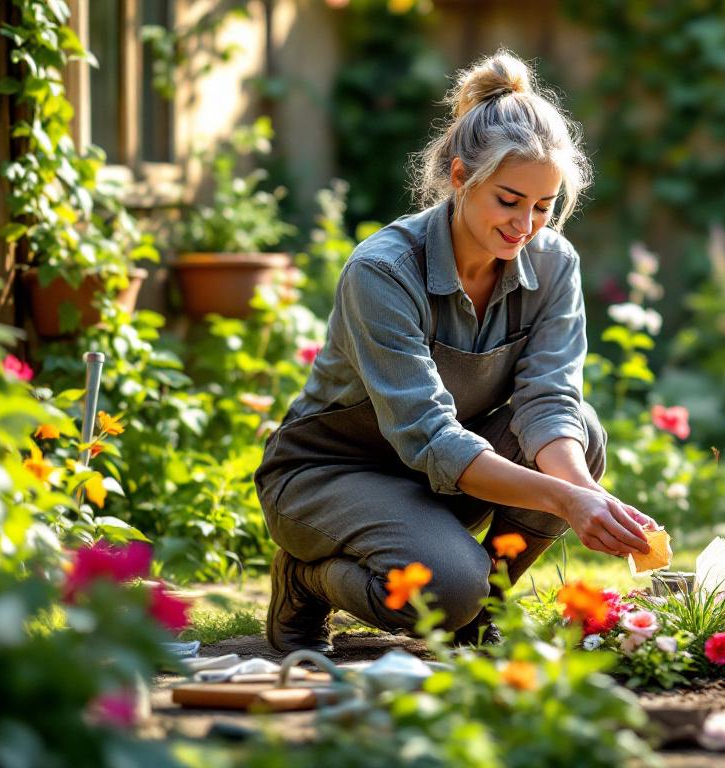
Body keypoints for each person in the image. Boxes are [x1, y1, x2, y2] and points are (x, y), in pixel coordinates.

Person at [254, 50, 658, 651]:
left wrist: (589, 495)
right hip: (333, 474)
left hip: (439, 480)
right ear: (462, 176)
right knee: (441, 591)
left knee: (583, 438)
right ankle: (306, 579)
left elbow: (549, 400)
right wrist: (566, 500)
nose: (526, 225)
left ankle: (478, 611)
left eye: (543, 207)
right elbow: (428, 434)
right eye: (509, 200)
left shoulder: (552, 265)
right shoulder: (383, 271)